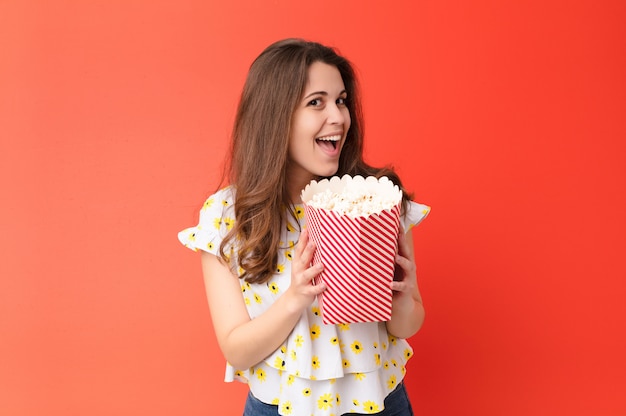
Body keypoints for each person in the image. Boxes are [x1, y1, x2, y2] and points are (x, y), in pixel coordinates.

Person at [178, 38, 430, 416]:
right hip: (279, 405)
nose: (339, 117)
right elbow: (236, 349)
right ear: (275, 115)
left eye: (341, 101)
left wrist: (404, 297)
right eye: (317, 102)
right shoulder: (228, 216)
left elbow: (406, 326)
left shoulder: (376, 197)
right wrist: (295, 297)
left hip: (381, 402)